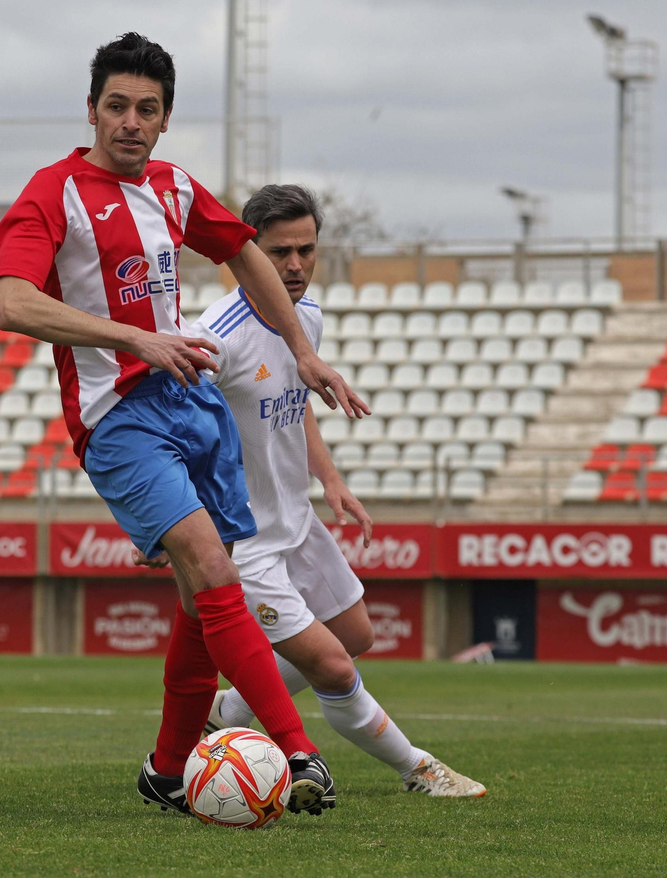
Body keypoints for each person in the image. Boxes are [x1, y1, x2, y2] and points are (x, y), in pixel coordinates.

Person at [0, 33, 367, 816]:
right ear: (91, 109)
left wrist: (301, 351)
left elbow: (245, 253)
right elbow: (14, 303)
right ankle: (301, 751)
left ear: (164, 121)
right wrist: (131, 336)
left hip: (191, 404)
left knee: (203, 596)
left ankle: (166, 769)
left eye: (147, 109)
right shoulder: (52, 192)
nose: (130, 121)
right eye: (117, 106)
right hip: (118, 415)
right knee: (209, 563)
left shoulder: (173, 186)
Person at [178, 184, 484, 796]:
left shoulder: (305, 318)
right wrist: (170, 525)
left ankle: (231, 712)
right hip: (247, 541)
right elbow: (179, 434)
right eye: (279, 252)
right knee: (334, 666)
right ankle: (417, 769)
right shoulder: (216, 339)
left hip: (297, 517)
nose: (294, 266)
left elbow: (298, 403)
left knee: (356, 634)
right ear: (246, 253)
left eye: (306, 250)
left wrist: (331, 478)